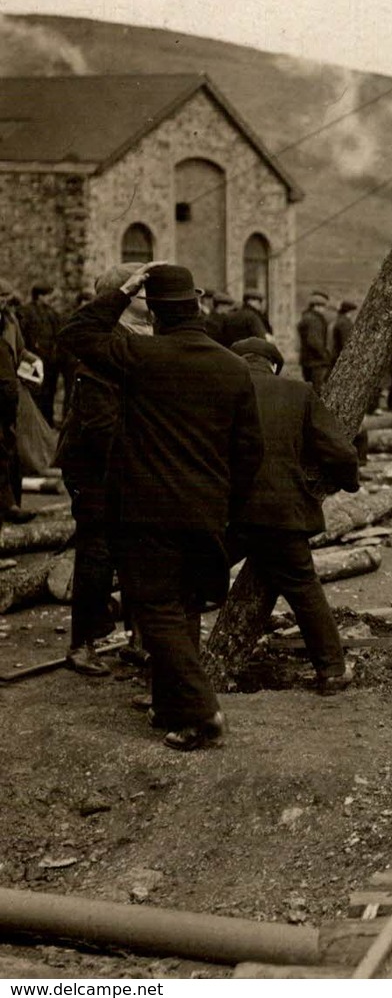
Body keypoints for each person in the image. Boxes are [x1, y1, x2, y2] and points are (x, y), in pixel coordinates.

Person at [60, 262, 264, 750]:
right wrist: (227, 507)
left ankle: (201, 709)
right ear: (196, 307)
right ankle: (172, 707)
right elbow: (250, 453)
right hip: (205, 512)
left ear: (153, 311)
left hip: (147, 512)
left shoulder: (140, 354)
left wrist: (122, 292)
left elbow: (77, 333)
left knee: (156, 612)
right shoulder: (233, 368)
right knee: (185, 609)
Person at [228, 337, 359, 694]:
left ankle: (164, 666)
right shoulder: (297, 392)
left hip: (227, 514)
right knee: (303, 588)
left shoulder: (219, 390)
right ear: (273, 365)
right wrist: (349, 484)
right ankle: (332, 670)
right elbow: (341, 453)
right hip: (281, 513)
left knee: (188, 580)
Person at [55, 265, 154, 675]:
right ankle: (82, 645)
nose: (153, 301)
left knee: (136, 549)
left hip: (128, 464)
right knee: (96, 553)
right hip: (98, 466)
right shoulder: (105, 340)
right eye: (146, 294)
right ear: (126, 297)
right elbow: (100, 427)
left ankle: (138, 635)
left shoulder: (143, 337)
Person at [0, 281, 30, 525]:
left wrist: (32, 361)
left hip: (9, 392)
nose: (3, 302)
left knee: (10, 447)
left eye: (5, 298)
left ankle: (12, 504)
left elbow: (20, 351)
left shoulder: (10, 322)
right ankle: (8, 505)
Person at [19, 285, 62, 426]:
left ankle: (46, 422)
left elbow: (58, 335)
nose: (51, 299)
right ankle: (34, 423)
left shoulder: (52, 314)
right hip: (33, 360)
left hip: (50, 361)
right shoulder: (25, 312)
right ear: (39, 296)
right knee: (35, 392)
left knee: (49, 392)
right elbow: (23, 337)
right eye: (48, 295)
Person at [297, 290, 334, 391]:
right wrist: (325, 356)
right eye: (322, 306)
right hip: (316, 362)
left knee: (310, 389)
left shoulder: (306, 317)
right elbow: (314, 341)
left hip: (308, 361)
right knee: (317, 390)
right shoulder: (314, 320)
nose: (324, 310)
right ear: (316, 306)